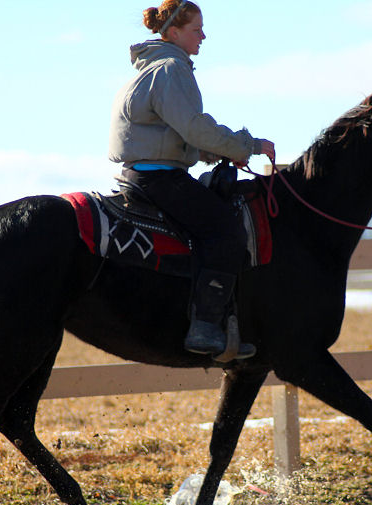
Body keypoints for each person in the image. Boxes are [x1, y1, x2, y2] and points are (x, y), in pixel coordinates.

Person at [108, 0, 275, 360]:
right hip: (160, 179)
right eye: (196, 29)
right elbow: (196, 128)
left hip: (143, 175)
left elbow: (174, 136)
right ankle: (205, 328)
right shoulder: (171, 70)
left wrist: (215, 152)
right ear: (173, 32)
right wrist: (247, 145)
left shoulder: (151, 70)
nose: (203, 36)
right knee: (226, 232)